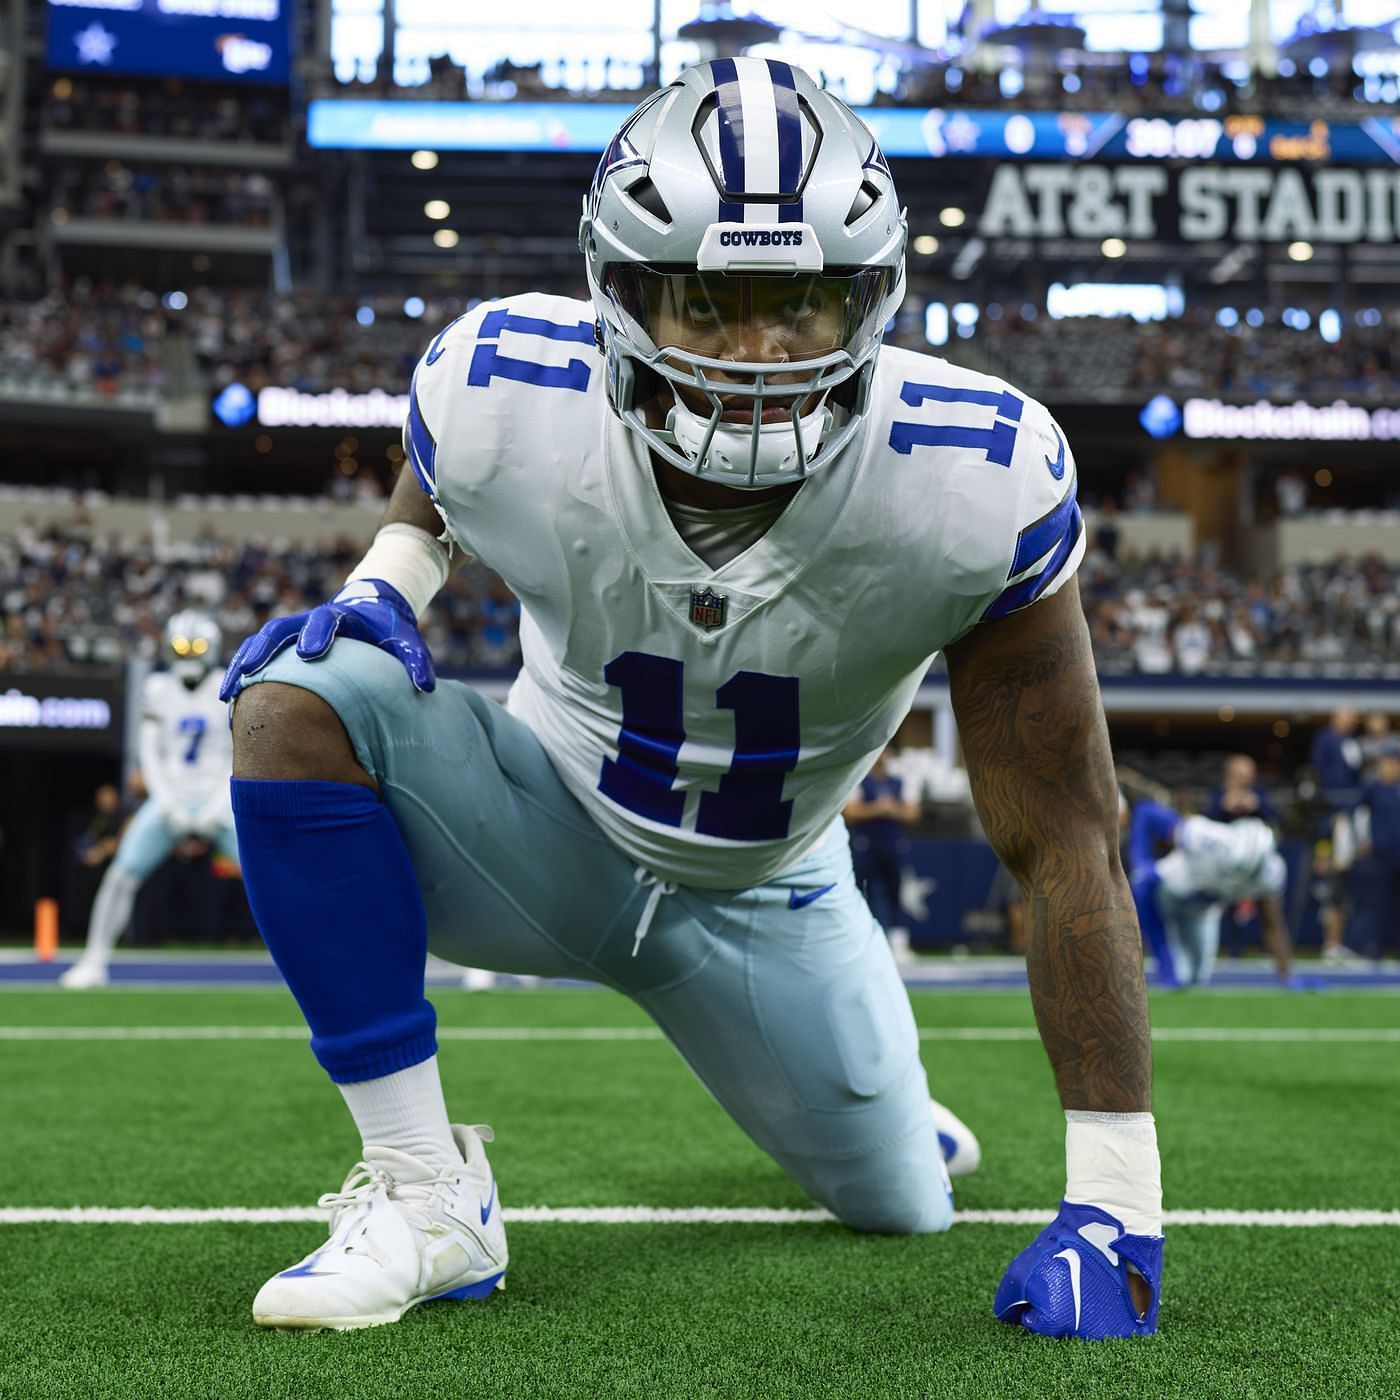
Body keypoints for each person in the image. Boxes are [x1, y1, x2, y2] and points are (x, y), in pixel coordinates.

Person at [221, 60, 1160, 1340]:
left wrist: (1116, 1203)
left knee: (899, 1204)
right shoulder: (504, 385)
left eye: (803, 304)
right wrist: (389, 581)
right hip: (539, 824)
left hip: (771, 889)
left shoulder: (971, 480)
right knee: (297, 693)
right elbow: (435, 487)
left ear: (870, 300)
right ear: (620, 293)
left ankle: (869, 1103)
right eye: (708, 300)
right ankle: (427, 1191)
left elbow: (1067, 830)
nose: (753, 353)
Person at [60, 610, 239, 988]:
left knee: (272, 880)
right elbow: (150, 752)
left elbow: (237, 752)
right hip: (169, 798)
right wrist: (169, 802)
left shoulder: (227, 686)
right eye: (182, 647)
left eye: (196, 648)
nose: (188, 656)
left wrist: (217, 804)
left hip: (218, 800)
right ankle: (94, 959)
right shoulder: (158, 688)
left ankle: (304, 963)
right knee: (121, 875)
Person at [1126, 799, 1299, 989]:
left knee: (1194, 979)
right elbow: (1145, 811)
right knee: (1143, 885)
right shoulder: (1206, 838)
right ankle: (1164, 964)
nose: (1238, 877)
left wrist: (1288, 976)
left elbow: (1272, 925)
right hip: (1169, 893)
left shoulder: (1268, 875)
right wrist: (1140, 862)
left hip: (1202, 910)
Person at [843, 747, 919, 958]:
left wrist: (891, 809)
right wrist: (878, 808)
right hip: (866, 844)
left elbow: (912, 813)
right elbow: (850, 811)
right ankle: (859, 940)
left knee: (895, 891)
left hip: (892, 844)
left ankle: (898, 943)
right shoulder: (860, 778)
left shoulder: (900, 780)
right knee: (861, 892)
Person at [1347, 739, 1400, 962]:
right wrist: (1363, 841)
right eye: (1388, 760)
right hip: (1379, 855)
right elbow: (1356, 814)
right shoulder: (1372, 788)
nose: (1391, 765)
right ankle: (1369, 949)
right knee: (1374, 904)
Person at [1204, 754, 1278, 827]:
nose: (1247, 780)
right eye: (1241, 775)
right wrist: (1224, 807)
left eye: (1249, 775)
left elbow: (1275, 817)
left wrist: (1257, 806)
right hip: (1224, 832)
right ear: (1231, 774)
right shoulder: (1219, 793)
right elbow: (1207, 818)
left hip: (1252, 833)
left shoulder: (1258, 792)